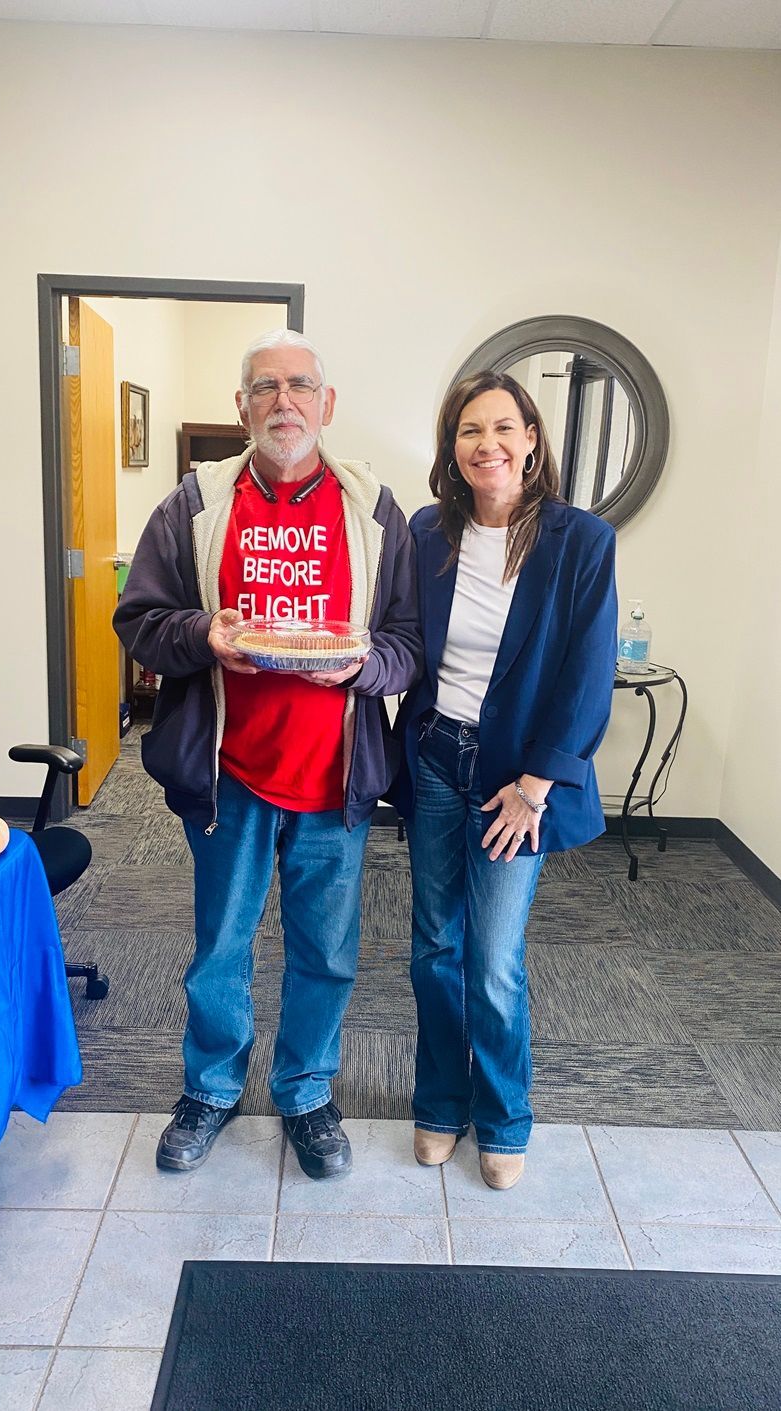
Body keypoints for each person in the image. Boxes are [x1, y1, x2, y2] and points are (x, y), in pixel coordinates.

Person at [114, 330, 421, 1180]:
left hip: (334, 782)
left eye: (299, 386)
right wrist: (203, 634)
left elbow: (406, 641)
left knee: (325, 953)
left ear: (327, 405)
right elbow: (137, 620)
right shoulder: (195, 505)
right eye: (264, 387)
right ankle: (210, 1088)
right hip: (229, 778)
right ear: (240, 406)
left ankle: (305, 1089)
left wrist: (363, 665)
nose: (282, 400)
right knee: (221, 946)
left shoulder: (373, 512)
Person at [390, 370, 617, 1190]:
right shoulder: (426, 531)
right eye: (467, 430)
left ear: (530, 440)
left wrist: (535, 784)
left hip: (513, 781)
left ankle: (505, 1114)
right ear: (450, 449)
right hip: (435, 760)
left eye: (502, 428)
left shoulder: (579, 540)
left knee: (491, 956)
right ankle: (440, 1103)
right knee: (433, 948)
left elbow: (588, 675)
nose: (486, 443)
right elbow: (403, 641)